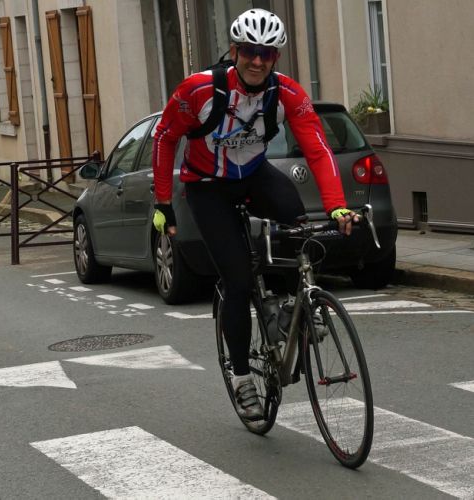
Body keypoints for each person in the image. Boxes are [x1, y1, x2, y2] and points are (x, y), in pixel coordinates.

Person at [152, 8, 358, 421]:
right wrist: (162, 203)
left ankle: (288, 306)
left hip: (252, 174)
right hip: (206, 186)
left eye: (267, 54)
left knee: (296, 219)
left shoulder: (286, 94)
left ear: (276, 57)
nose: (258, 61)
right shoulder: (199, 90)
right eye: (249, 51)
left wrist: (337, 204)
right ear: (234, 51)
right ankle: (243, 377)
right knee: (238, 280)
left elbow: (318, 149)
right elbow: (164, 137)